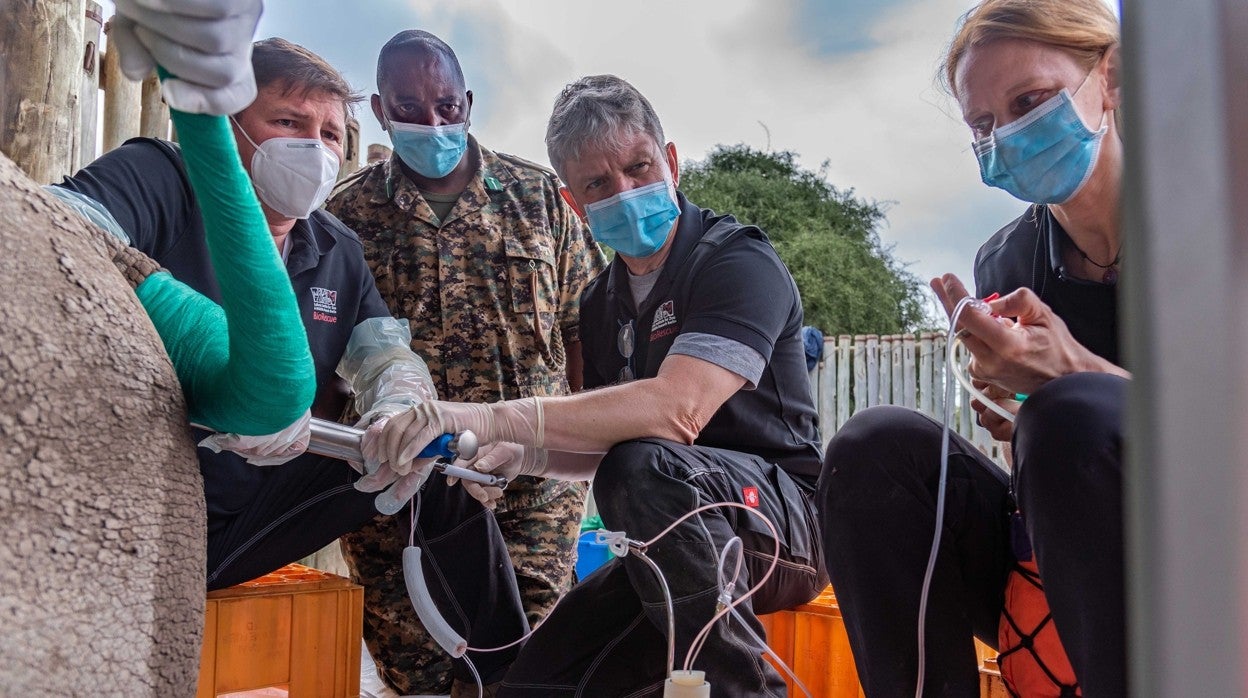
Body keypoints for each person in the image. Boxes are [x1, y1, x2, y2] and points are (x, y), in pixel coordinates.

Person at [370, 74, 827, 697]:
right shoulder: (600, 302)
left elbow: (676, 413)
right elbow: (609, 440)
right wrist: (521, 455)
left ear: (669, 160)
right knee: (533, 684)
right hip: (674, 538)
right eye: (598, 184)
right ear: (574, 202)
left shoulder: (735, 261)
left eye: (639, 167)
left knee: (641, 466)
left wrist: (493, 416)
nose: (626, 191)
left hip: (782, 523)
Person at [816, 0, 1129, 695]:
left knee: (1071, 413)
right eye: (982, 125)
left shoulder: (1218, 212)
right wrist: (1022, 425)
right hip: (1079, 574)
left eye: (1030, 102)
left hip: (1216, 542)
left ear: (1113, 78)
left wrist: (1077, 380)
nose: (1008, 136)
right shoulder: (1012, 261)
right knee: (874, 450)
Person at [54, 37, 440, 590]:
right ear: (227, 125)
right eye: (288, 122)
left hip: (241, 524)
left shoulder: (337, 249)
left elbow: (384, 354)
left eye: (330, 134)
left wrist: (401, 407)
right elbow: (55, 232)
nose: (315, 149)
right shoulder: (159, 177)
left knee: (434, 460)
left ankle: (497, 667)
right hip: (114, 502)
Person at [326, 31, 606, 697]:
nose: (433, 122)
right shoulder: (346, 217)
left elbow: (583, 332)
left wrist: (586, 453)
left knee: (527, 664)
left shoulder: (540, 201)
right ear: (382, 110)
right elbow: (325, 351)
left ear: (469, 102)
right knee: (416, 670)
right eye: (411, 107)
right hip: (400, 489)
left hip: (528, 486)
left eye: (448, 106)